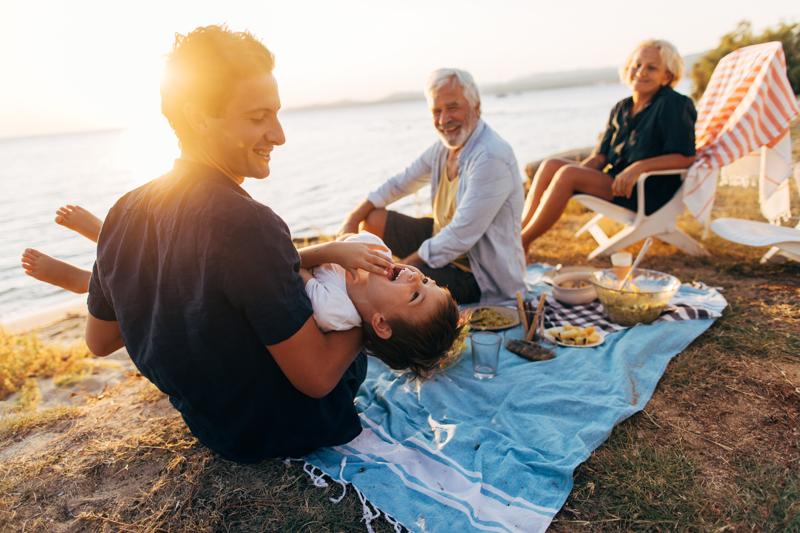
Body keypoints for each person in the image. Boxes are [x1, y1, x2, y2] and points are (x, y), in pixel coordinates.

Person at [27, 25, 392, 463]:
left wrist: (136, 289)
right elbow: (315, 379)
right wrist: (366, 318)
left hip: (215, 428)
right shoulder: (249, 224)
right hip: (292, 425)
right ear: (199, 116)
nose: (278, 135)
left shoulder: (125, 210)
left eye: (276, 114)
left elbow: (100, 340)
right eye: (258, 118)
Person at [24, 223, 462, 380]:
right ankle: (108, 255)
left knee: (186, 277)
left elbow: (283, 269)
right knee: (184, 268)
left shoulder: (337, 313)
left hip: (246, 300)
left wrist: (330, 254)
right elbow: (295, 258)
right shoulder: (376, 256)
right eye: (423, 277)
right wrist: (345, 251)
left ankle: (97, 267)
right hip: (256, 283)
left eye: (416, 290)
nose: (413, 274)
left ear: (381, 324)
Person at [339, 68, 526, 305]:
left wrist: (403, 268)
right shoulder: (444, 149)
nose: (443, 119)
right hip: (442, 245)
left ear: (476, 106)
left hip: (478, 275)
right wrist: (352, 219)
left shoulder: (491, 156)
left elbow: (460, 235)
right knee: (373, 219)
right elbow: (400, 183)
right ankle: (366, 283)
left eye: (453, 107)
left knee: (391, 290)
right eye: (436, 111)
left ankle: (373, 295)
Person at [520, 39, 697, 255]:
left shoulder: (674, 104)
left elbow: (686, 157)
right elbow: (601, 157)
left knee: (567, 173)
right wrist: (575, 176)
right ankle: (518, 231)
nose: (641, 72)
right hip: (617, 183)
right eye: (637, 65)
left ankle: (523, 242)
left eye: (651, 67)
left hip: (646, 190)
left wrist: (639, 167)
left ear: (667, 76)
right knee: (551, 165)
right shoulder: (621, 108)